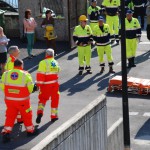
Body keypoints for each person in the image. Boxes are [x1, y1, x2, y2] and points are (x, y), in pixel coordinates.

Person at [0, 59, 38, 143]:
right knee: (27, 115)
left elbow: (2, 86)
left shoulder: (6, 74)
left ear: (14, 65)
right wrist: (35, 87)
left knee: (10, 116)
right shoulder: (25, 74)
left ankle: (6, 132)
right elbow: (31, 89)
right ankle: (30, 130)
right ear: (21, 65)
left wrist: (11, 93)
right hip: (22, 101)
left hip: (9, 100)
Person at [35, 48, 60, 124]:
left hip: (46, 85)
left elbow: (40, 75)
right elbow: (58, 70)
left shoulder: (43, 62)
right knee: (55, 99)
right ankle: (54, 116)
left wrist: (38, 85)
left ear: (46, 54)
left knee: (42, 100)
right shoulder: (55, 62)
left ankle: (40, 112)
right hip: (55, 85)